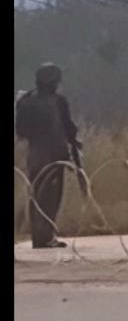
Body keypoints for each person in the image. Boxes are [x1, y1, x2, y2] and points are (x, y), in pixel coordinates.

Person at [15, 63, 81, 249]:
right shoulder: (58, 101)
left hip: (35, 153)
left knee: (36, 194)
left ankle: (40, 236)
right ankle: (45, 237)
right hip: (53, 154)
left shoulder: (25, 100)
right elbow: (69, 128)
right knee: (51, 196)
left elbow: (20, 130)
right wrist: (74, 142)